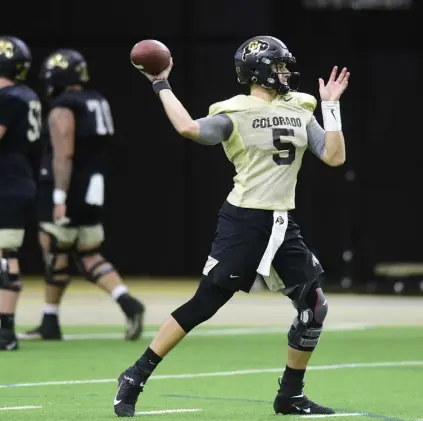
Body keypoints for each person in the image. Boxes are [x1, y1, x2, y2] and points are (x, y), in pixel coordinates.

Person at [113, 36, 349, 417]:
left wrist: (332, 107)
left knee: (314, 306)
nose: (286, 73)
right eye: (278, 66)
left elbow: (335, 157)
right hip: (245, 220)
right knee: (206, 303)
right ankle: (135, 375)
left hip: (281, 221)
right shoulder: (233, 112)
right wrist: (161, 84)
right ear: (258, 71)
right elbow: (189, 128)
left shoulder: (302, 106)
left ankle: (290, 395)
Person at [19, 49, 145, 342]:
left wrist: (60, 196)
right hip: (94, 186)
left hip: (68, 186)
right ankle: (126, 302)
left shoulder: (64, 106)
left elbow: (64, 154)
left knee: (55, 251)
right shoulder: (97, 100)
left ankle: (50, 319)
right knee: (88, 251)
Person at [0, 36, 42, 351]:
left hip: (8, 183)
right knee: (6, 254)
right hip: (21, 179)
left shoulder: (8, 98)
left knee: (5, 255)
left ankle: (5, 331)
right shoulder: (26, 95)